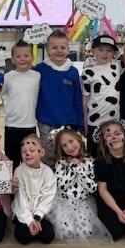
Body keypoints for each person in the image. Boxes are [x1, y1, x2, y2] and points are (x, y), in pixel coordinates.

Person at [46, 126, 112, 243]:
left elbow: (92, 188)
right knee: (66, 232)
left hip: (82, 203)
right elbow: (62, 186)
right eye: (64, 145)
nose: (69, 147)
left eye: (71, 141)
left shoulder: (90, 161)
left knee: (86, 232)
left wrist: (80, 169)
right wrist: (72, 167)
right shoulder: (61, 162)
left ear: (79, 139)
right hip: (64, 203)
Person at [34, 30, 84, 167]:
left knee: (69, 155)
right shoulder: (40, 70)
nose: (58, 51)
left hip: (68, 123)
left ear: (68, 50)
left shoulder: (73, 72)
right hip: (46, 122)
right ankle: (49, 186)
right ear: (47, 49)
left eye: (62, 47)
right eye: (54, 47)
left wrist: (80, 124)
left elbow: (77, 99)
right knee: (48, 156)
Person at [0, 40, 40, 169]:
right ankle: (13, 186)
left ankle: (27, 186)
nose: (22, 59)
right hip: (11, 125)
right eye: (18, 56)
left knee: (30, 159)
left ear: (32, 58)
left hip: (30, 125)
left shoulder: (37, 76)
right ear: (12, 59)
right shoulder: (8, 77)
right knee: (12, 159)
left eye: (26, 56)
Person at [12, 134, 57, 245]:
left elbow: (48, 196)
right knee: (23, 238)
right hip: (23, 212)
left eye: (32, 150)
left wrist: (37, 217)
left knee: (48, 237)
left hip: (41, 214)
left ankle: (35, 226)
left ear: (41, 152)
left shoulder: (48, 172)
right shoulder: (19, 171)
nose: (27, 153)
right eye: (24, 152)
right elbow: (21, 199)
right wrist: (29, 220)